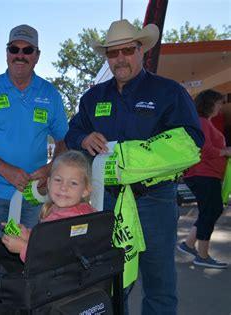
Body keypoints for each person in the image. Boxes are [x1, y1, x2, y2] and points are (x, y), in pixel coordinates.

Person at [64, 19, 204, 314]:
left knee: (159, 281)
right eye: (113, 53)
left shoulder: (169, 92)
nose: (120, 58)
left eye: (127, 50)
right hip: (109, 201)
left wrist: (136, 157)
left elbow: (192, 139)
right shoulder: (92, 97)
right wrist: (84, 137)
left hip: (154, 200)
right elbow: (72, 133)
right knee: (113, 281)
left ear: (142, 51)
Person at [0, 24, 68, 273]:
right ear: (7, 52)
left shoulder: (50, 94)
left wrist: (51, 169)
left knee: (28, 262)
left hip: (33, 195)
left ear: (37, 55)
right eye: (14, 49)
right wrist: (5, 170)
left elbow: (64, 141)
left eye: (27, 49)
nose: (20, 54)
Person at [2, 150, 95, 262]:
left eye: (73, 183)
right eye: (58, 180)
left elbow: (55, 259)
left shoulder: (74, 221)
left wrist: (23, 248)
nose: (63, 187)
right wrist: (28, 235)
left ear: (86, 190)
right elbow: (47, 239)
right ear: (49, 183)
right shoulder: (62, 211)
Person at [178, 90, 230, 269]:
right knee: (212, 210)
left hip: (205, 174)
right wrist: (225, 151)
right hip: (204, 174)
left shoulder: (203, 122)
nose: (220, 107)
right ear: (209, 103)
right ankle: (202, 255)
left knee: (210, 210)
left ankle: (189, 244)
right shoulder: (201, 122)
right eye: (219, 103)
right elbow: (204, 148)